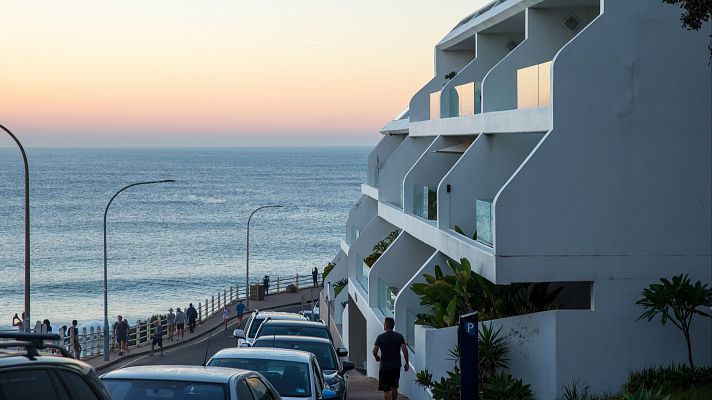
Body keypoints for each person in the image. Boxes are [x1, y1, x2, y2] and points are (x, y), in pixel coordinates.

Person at [372, 317, 408, 400]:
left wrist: (377, 357)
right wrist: (407, 363)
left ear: (385, 325)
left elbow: (374, 351)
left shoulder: (380, 337)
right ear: (393, 325)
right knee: (394, 387)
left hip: (385, 367)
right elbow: (404, 350)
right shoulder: (399, 336)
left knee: (386, 389)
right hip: (396, 366)